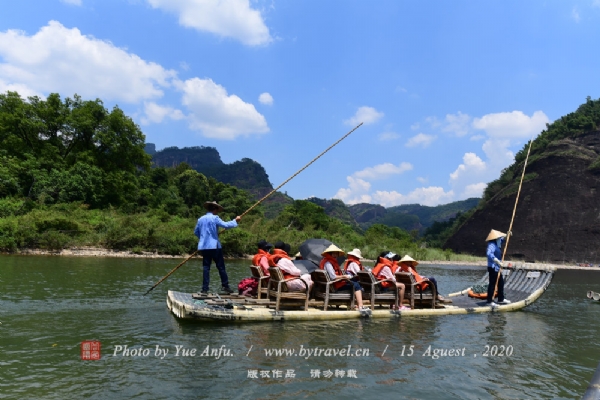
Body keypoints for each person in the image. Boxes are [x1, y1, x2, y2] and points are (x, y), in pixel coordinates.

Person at [194, 201, 241, 294]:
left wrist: (203, 238)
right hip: (214, 246)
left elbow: (196, 232)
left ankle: (204, 289)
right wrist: (236, 220)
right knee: (221, 267)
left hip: (204, 247)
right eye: (217, 210)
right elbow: (226, 225)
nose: (217, 212)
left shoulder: (200, 219)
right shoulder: (215, 218)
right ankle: (225, 286)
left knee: (206, 267)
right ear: (215, 209)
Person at [320, 244, 369, 311]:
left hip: (333, 284)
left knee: (354, 283)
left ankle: (355, 304)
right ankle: (360, 306)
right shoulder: (328, 263)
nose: (335, 255)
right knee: (356, 285)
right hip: (334, 286)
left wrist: (344, 277)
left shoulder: (327, 261)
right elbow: (333, 277)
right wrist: (344, 276)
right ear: (329, 253)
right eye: (333, 253)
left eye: (336, 253)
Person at [486, 229, 511, 305]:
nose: (500, 238)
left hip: (497, 267)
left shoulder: (498, 242)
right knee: (492, 284)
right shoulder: (491, 244)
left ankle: (501, 299)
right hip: (493, 267)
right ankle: (489, 301)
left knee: (501, 283)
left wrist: (507, 235)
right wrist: (496, 260)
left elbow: (503, 240)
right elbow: (489, 253)